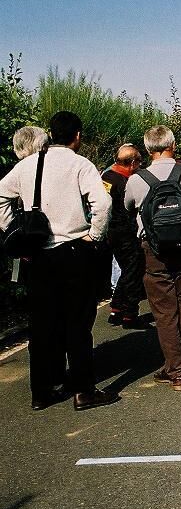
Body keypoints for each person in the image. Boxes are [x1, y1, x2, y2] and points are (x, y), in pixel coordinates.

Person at [0, 116, 116, 411]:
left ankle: (42, 391)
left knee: (41, 324)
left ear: (50, 134)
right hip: (75, 250)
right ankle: (82, 390)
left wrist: (13, 231)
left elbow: (0, 196)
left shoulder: (26, 166)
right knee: (77, 323)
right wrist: (95, 235)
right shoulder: (79, 164)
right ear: (77, 134)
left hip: (38, 254)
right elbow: (102, 204)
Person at [125, 125, 181, 391]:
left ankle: (176, 368)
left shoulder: (137, 179)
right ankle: (180, 368)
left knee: (164, 310)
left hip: (155, 250)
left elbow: (129, 206)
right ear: (173, 144)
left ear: (148, 149)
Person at [101, 143, 146, 328]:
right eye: (139, 162)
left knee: (126, 269)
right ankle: (130, 313)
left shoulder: (106, 176)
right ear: (133, 162)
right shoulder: (126, 182)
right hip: (126, 231)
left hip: (110, 231)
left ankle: (116, 308)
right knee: (134, 271)